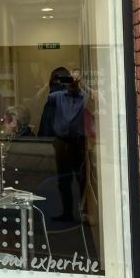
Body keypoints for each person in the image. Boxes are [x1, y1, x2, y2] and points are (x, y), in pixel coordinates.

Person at [49, 71, 87, 222]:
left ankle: (84, 213)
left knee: (82, 180)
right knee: (63, 180)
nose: (72, 82)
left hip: (79, 143)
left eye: (75, 79)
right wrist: (54, 83)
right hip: (61, 142)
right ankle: (67, 213)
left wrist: (83, 86)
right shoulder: (58, 96)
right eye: (70, 79)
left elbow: (101, 102)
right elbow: (36, 99)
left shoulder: (86, 97)